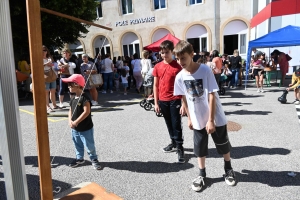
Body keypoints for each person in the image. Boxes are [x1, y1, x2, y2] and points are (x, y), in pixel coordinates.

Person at [173, 40, 236, 192]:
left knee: (222, 144)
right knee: (200, 148)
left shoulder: (205, 70)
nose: (180, 61)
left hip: (215, 117)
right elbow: (183, 98)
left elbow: (212, 96)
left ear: (191, 54)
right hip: (197, 118)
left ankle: (228, 169)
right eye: (178, 58)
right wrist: (189, 117)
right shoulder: (180, 77)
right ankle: (202, 174)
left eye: (183, 58)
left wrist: (211, 120)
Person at [153, 40, 185, 163]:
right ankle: (173, 142)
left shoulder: (178, 66)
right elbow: (155, 85)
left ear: (172, 51)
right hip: (163, 99)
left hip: (175, 99)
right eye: (162, 53)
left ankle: (180, 146)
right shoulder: (157, 66)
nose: (164, 55)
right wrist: (156, 103)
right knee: (168, 123)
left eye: (166, 52)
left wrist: (183, 103)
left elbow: (183, 86)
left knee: (176, 124)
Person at [61, 74, 101, 170]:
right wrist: (70, 120)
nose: (68, 87)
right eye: (68, 85)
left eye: (71, 85)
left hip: (85, 128)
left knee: (89, 144)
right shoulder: (72, 98)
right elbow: (70, 110)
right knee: (77, 143)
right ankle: (79, 158)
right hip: (75, 128)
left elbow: (86, 112)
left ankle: (94, 158)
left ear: (78, 85)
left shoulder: (84, 98)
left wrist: (76, 122)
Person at [43, 45, 58, 112]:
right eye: (42, 50)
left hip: (52, 75)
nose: (44, 52)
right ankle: (47, 106)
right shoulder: (39, 58)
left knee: (53, 91)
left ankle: (54, 105)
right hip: (44, 76)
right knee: (46, 92)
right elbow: (38, 66)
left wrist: (52, 64)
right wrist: (46, 64)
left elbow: (54, 65)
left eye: (45, 50)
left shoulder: (49, 58)